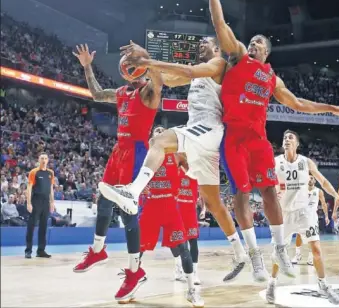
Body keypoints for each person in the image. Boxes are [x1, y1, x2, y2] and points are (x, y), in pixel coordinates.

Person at [201, 0, 339, 278]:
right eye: (252, 41)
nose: (253, 44)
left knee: (271, 192)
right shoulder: (240, 58)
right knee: (240, 195)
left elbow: (297, 103)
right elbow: (221, 27)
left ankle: (280, 249)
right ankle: (254, 256)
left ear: (267, 52)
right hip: (234, 137)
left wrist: (330, 107)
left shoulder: (272, 77)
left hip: (258, 139)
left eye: (259, 42)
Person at [100, 38, 252, 282]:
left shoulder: (218, 64)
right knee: (213, 202)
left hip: (208, 129)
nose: (201, 43)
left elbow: (188, 70)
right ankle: (239, 252)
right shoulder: (197, 73)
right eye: (200, 42)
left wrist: (147, 60)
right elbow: (167, 80)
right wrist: (147, 65)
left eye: (206, 42)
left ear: (216, 49)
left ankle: (132, 191)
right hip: (204, 140)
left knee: (159, 141)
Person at [71, 44, 163, 303]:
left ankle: (135, 271)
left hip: (136, 151)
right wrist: (87, 66)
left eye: (135, 65)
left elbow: (159, 79)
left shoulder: (149, 93)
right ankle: (98, 250)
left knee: (128, 211)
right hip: (118, 150)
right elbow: (98, 94)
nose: (130, 68)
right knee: (104, 199)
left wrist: (145, 55)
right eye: (128, 65)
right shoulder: (122, 92)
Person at [266, 130, 339, 305]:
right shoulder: (274, 162)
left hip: (304, 212)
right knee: (279, 253)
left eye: (290, 138)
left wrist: (335, 195)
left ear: (297, 144)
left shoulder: (305, 162)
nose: (286, 140)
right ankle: (272, 282)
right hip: (283, 214)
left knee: (316, 249)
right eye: (284, 137)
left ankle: (324, 285)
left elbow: (322, 181)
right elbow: (266, 184)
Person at [138, 126, 203, 307]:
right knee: (137, 247)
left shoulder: (177, 156)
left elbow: (195, 172)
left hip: (170, 205)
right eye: (156, 131)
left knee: (183, 246)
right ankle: (131, 281)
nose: (160, 133)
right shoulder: (147, 156)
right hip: (151, 204)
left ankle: (191, 290)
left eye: (162, 131)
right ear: (151, 137)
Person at [175, 152, 201, 285]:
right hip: (177, 211)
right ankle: (179, 269)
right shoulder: (175, 170)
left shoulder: (195, 172)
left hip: (190, 211)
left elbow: (202, 190)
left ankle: (194, 272)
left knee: (193, 242)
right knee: (179, 243)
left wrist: (204, 207)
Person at [292, 175, 330, 266]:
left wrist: (326, 216)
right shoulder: (301, 190)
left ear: (315, 181)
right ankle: (297, 255)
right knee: (299, 235)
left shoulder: (318, 191)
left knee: (311, 238)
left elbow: (324, 204)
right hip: (301, 216)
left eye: (312, 178)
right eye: (308, 177)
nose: (309, 179)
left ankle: (310, 257)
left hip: (312, 217)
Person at [25, 153, 55, 259]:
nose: (44, 160)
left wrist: (52, 202)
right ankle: (28, 250)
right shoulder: (34, 172)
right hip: (36, 201)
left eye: (46, 158)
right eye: (42, 158)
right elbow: (29, 188)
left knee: (43, 227)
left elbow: (51, 188)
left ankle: (41, 251)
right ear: (39, 159)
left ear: (48, 160)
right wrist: (28, 203)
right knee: (31, 226)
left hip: (46, 203)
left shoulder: (50, 173)